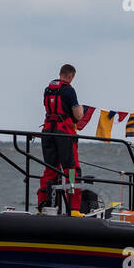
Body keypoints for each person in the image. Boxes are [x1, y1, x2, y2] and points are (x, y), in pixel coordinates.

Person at [37, 64, 85, 213]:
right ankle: (74, 207)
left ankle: (43, 205)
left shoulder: (47, 89)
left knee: (50, 169)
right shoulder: (69, 90)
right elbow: (78, 115)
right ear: (70, 76)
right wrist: (81, 109)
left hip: (48, 133)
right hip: (64, 134)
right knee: (71, 170)